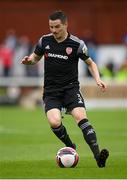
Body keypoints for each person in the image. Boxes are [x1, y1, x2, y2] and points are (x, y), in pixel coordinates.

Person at [21, 10, 109, 168]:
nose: (53, 30)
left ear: (65, 25)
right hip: (51, 91)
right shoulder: (44, 41)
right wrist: (29, 61)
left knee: (81, 118)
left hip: (71, 89)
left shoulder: (77, 44)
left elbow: (90, 63)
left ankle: (98, 157)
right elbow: (35, 58)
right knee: (54, 122)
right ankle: (70, 146)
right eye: (50, 27)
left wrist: (98, 79)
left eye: (56, 27)